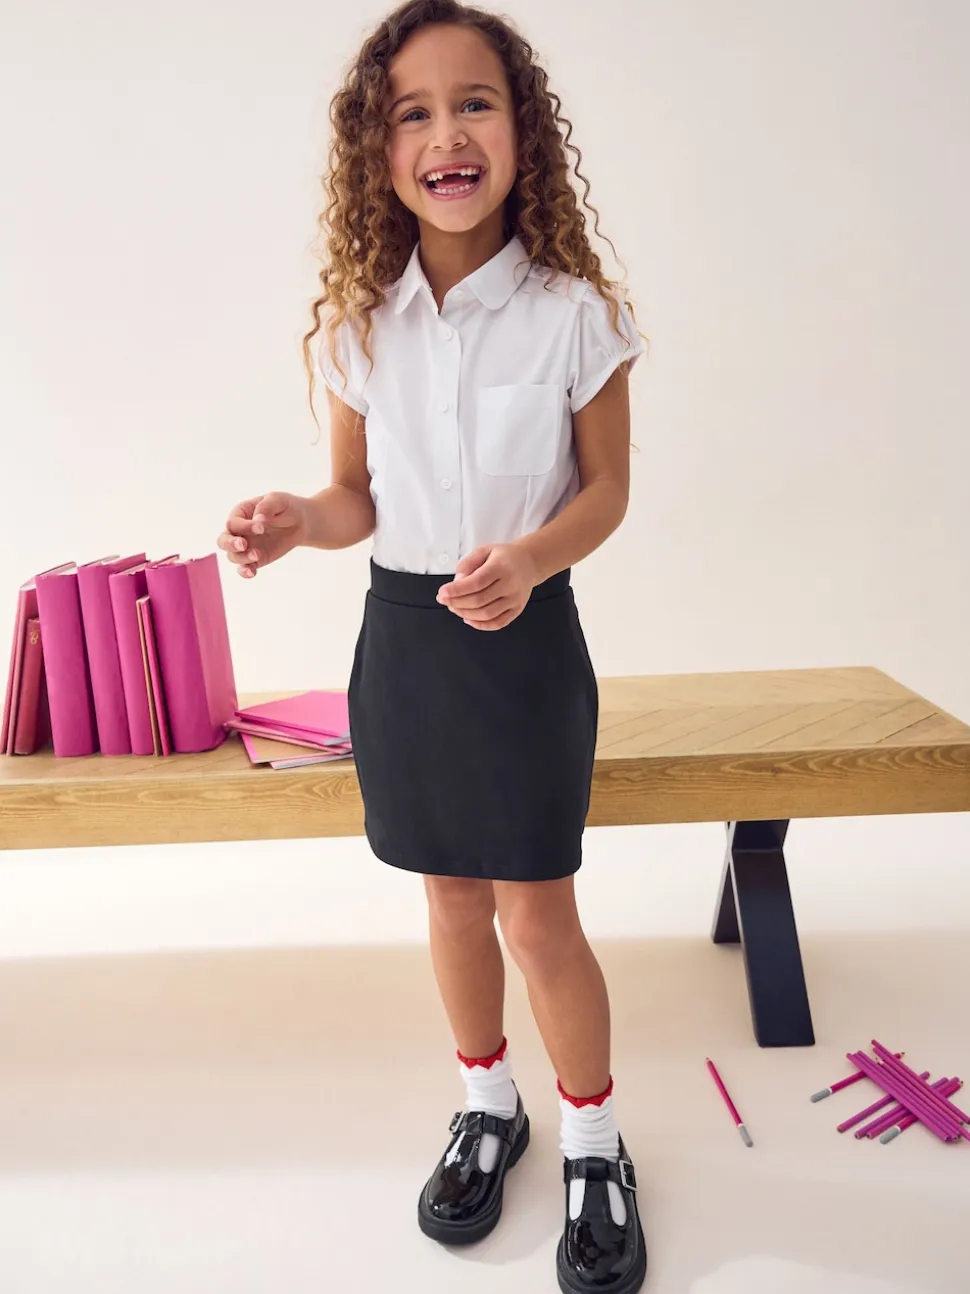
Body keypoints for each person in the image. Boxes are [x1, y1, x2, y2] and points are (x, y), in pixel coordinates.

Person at [218, 2, 646, 1290]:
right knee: (451, 899)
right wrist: (300, 519)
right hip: (405, 644)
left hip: (524, 645)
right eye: (414, 113)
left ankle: (594, 1142)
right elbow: (358, 500)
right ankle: (487, 1105)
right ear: (380, 150)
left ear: (523, 134)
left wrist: (531, 558)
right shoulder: (362, 326)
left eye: (475, 104)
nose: (447, 134)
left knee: (538, 912)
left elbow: (606, 494)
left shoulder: (575, 315)